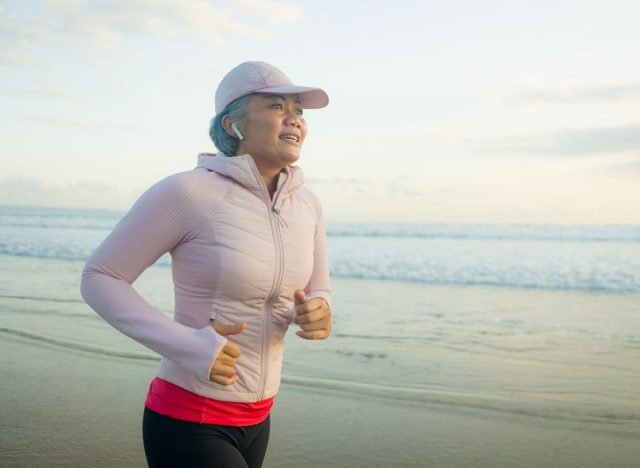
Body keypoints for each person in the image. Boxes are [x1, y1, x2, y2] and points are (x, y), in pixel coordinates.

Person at [80, 61, 333, 468]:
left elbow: (318, 288)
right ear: (233, 124)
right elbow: (101, 277)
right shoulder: (188, 192)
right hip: (188, 417)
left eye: (298, 111)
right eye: (276, 106)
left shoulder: (307, 204)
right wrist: (191, 346)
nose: (295, 119)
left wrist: (319, 311)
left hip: (260, 415)